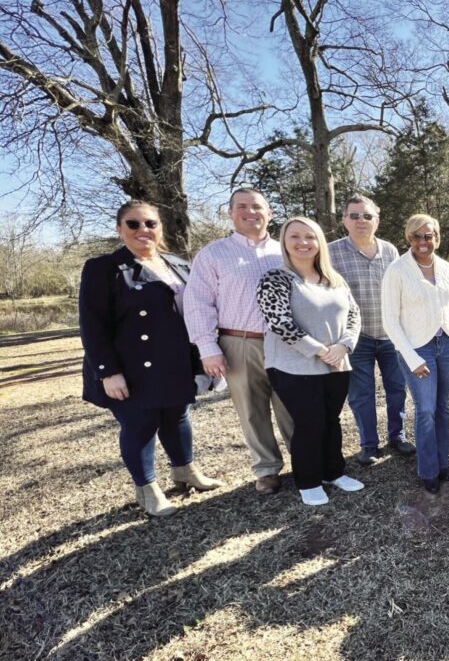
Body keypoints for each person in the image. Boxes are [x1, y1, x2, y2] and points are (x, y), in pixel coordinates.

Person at [79, 200, 224, 517]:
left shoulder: (178, 264)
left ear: (160, 227)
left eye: (150, 224)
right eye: (133, 224)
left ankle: (184, 470)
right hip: (130, 366)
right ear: (120, 229)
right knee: (141, 423)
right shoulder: (103, 268)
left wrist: (202, 359)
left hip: (176, 360)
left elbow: (198, 311)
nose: (143, 230)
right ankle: (147, 489)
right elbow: (92, 325)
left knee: (178, 417)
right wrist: (107, 372)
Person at [184, 188, 295, 494]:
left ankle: (305, 459)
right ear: (231, 213)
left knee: (294, 405)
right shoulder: (213, 254)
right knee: (251, 408)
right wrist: (207, 347)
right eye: (242, 207)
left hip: (286, 341)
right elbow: (198, 303)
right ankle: (267, 468)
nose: (251, 212)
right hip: (239, 341)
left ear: (269, 213)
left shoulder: (287, 250)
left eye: (257, 206)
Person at [256, 217, 364, 505]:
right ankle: (308, 480)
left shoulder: (334, 279)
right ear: (284, 242)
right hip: (295, 366)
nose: (303, 242)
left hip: (337, 363)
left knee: (332, 420)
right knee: (309, 422)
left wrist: (343, 346)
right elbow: (279, 323)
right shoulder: (275, 278)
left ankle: (333, 471)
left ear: (320, 243)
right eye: (295, 237)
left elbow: (354, 315)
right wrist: (320, 350)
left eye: (310, 237)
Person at [382, 214, 449, 493]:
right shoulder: (397, 270)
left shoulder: (446, 268)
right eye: (417, 236)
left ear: (437, 238)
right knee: (425, 410)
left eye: (428, 236)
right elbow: (390, 321)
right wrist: (412, 359)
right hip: (417, 349)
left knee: (443, 407)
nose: (423, 241)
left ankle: (442, 462)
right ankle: (428, 470)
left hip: (447, 345)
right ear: (408, 239)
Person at [327, 194, 414, 466]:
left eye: (367, 216)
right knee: (361, 394)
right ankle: (369, 445)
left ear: (377, 220)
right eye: (354, 215)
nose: (361, 221)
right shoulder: (331, 252)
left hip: (391, 334)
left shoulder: (390, 251)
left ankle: (396, 437)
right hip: (355, 338)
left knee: (397, 389)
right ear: (344, 220)